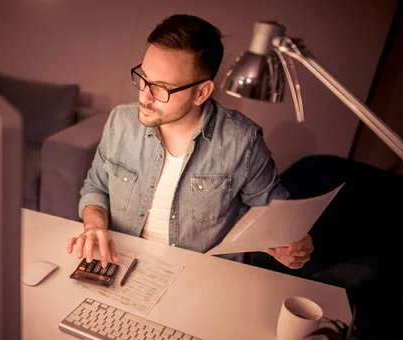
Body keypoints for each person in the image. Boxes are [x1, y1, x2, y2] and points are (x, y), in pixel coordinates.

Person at [66, 14, 313, 270]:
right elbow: (96, 187)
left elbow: (279, 222)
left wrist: (290, 247)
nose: (145, 96)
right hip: (120, 262)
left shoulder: (242, 142)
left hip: (200, 276)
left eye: (162, 87)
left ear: (201, 92)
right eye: (144, 78)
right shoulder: (120, 121)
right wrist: (94, 227)